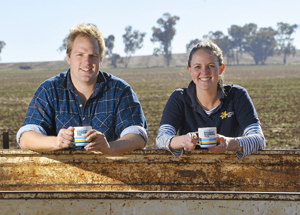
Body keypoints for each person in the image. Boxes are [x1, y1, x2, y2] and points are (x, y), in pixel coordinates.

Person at [17, 23, 147, 155]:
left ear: (101, 59)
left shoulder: (120, 90)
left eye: (93, 56)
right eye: (80, 54)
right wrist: (55, 142)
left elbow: (137, 136)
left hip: (109, 172)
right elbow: (26, 137)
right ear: (68, 57)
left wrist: (110, 147)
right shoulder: (49, 90)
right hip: (59, 173)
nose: (87, 62)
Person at [156, 40, 265, 159]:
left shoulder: (237, 95)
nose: (204, 72)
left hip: (232, 170)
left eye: (211, 66)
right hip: (188, 171)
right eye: (197, 67)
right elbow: (161, 139)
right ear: (190, 70)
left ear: (221, 68)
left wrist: (229, 143)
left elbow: (259, 140)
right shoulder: (179, 98)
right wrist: (184, 141)